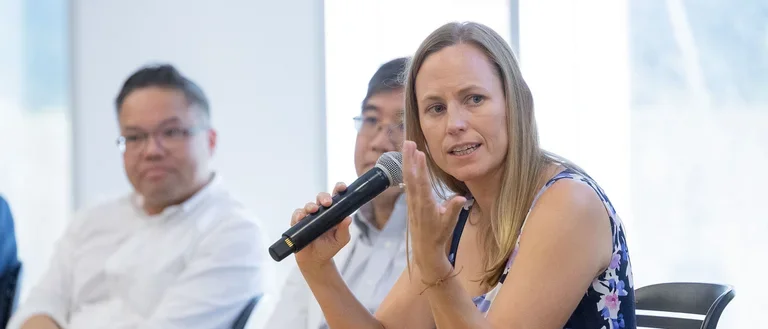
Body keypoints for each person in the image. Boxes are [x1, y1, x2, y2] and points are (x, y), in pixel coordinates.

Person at [289, 22, 637, 329]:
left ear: (516, 104)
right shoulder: (462, 215)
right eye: (436, 108)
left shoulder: (568, 205)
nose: (454, 124)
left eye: (474, 99)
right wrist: (319, 269)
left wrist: (434, 265)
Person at [8, 64, 266, 329]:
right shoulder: (93, 219)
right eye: (134, 137)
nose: (152, 150)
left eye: (171, 132)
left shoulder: (233, 232)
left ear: (210, 140)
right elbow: (36, 308)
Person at [265, 57, 410, 329]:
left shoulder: (447, 237)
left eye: (402, 124)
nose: (380, 142)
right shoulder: (328, 226)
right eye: (371, 120)